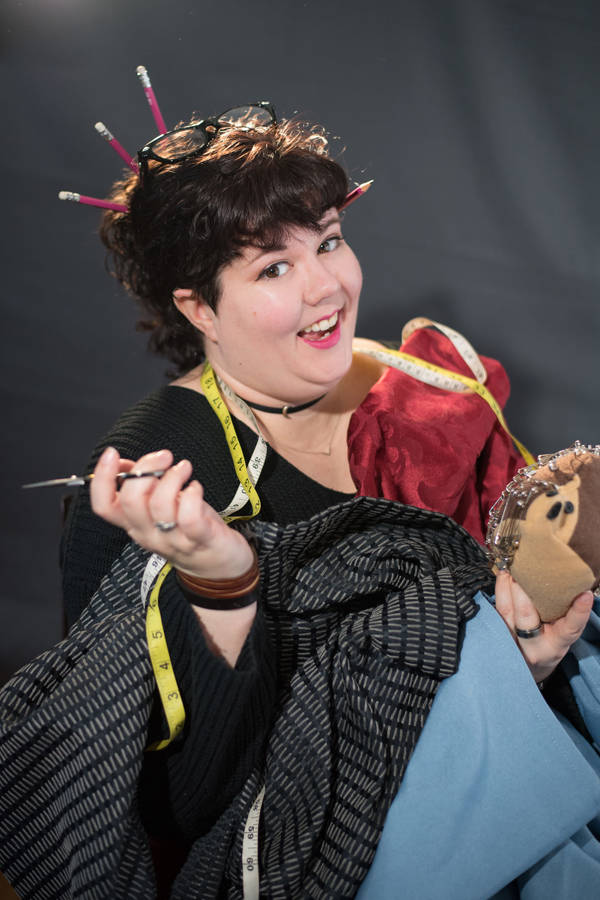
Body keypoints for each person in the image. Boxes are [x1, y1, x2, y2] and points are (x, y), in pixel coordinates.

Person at [1, 104, 598, 899]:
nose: (326, 287)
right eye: (272, 268)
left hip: (543, 769)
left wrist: (544, 627)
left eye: (328, 241)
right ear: (198, 308)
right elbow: (184, 807)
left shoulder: (422, 392)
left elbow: (531, 584)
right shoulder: (166, 480)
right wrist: (221, 582)